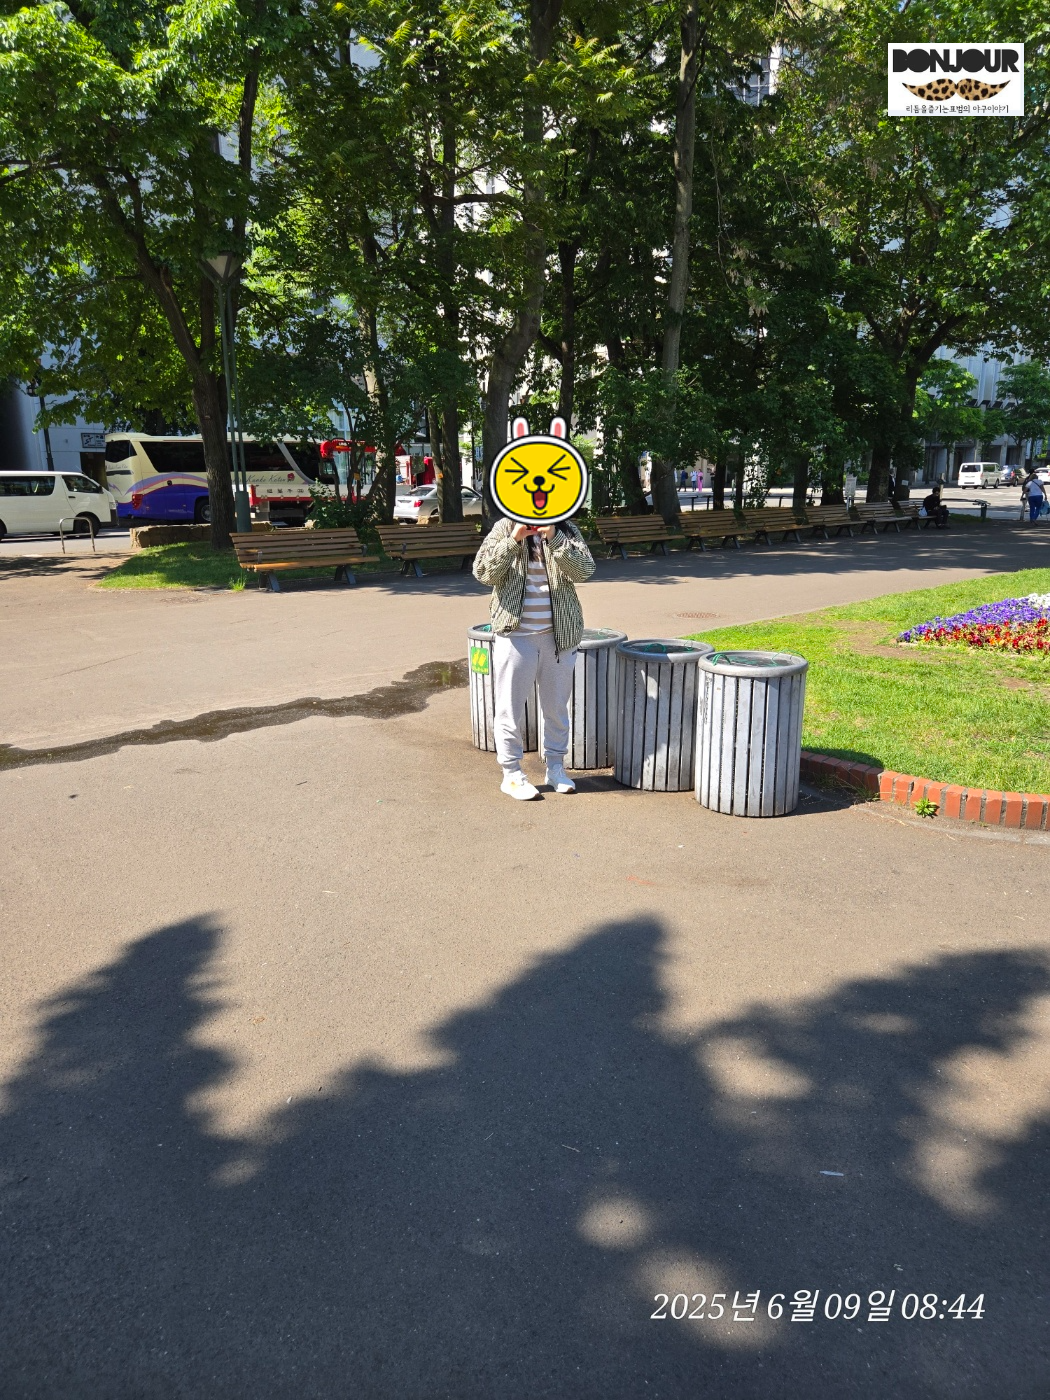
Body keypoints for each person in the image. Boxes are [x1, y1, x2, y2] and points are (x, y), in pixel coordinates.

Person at [473, 516, 595, 800]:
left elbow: (585, 570)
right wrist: (513, 540)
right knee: (510, 709)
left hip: (559, 636)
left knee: (556, 708)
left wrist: (556, 538)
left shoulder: (565, 528)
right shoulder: (505, 527)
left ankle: (555, 768)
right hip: (516, 636)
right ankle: (512, 774)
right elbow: (483, 572)